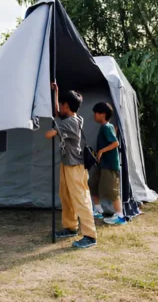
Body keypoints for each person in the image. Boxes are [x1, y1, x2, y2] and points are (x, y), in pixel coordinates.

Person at [45, 83, 97, 249]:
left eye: (62, 103)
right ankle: (70, 227)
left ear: (67, 105)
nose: (60, 106)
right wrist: (56, 92)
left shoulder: (70, 123)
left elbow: (49, 134)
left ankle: (90, 235)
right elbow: (57, 113)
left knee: (80, 199)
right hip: (67, 164)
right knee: (65, 196)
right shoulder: (73, 117)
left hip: (75, 167)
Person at [91, 102, 126, 225]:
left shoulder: (106, 127)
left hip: (110, 166)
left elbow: (115, 143)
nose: (94, 115)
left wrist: (101, 151)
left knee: (112, 192)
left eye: (96, 113)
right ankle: (98, 210)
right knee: (93, 185)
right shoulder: (107, 127)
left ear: (103, 114)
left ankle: (120, 217)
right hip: (102, 165)